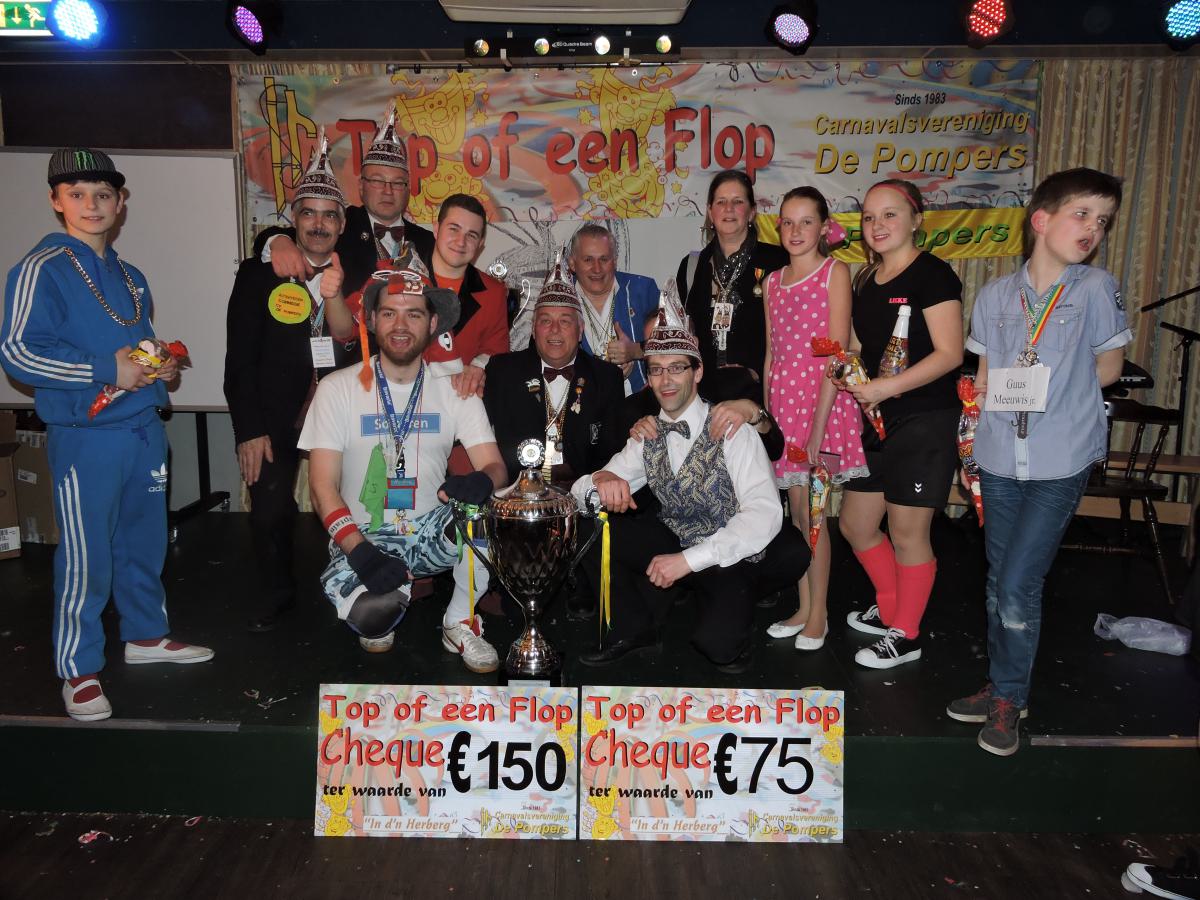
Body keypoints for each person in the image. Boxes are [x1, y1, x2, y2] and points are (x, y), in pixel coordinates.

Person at [0, 148, 212, 722]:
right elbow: (17, 353)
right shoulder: (40, 268)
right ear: (55, 201)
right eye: (77, 194)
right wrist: (105, 369)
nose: (91, 205)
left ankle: (145, 635)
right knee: (86, 554)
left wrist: (161, 367)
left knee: (144, 543)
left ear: (120, 203)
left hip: (143, 430)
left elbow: (135, 347)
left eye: (102, 195)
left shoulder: (130, 275)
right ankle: (78, 667)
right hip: (86, 438)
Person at [947, 168, 1129, 757]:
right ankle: (1003, 684)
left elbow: (1109, 368)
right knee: (999, 578)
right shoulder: (995, 296)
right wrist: (970, 447)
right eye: (1083, 214)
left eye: (1103, 220)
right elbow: (981, 379)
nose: (1093, 228)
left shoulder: (1095, 288)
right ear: (1042, 220)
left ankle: (1009, 697)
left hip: (1059, 456)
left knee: (1019, 582)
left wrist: (1053, 389)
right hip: (1000, 455)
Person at [571, 287, 810, 673]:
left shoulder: (731, 426)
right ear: (648, 377)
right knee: (594, 528)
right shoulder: (647, 432)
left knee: (719, 648)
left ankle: (737, 602)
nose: (666, 380)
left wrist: (687, 561)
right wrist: (602, 479)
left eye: (677, 368)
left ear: (697, 372)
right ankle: (635, 628)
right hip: (675, 538)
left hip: (729, 554)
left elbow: (764, 514)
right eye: (656, 369)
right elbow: (580, 493)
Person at [299, 250, 509, 670]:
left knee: (490, 511)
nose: (400, 325)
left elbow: (496, 468)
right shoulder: (337, 389)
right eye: (389, 313)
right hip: (363, 535)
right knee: (373, 618)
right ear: (371, 320)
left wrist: (482, 481)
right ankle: (384, 597)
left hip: (431, 531)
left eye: (414, 314)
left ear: (432, 324)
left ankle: (459, 620)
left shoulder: (456, 388)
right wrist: (360, 553)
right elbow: (322, 487)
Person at [224, 133, 358, 632]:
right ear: (294, 219)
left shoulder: (357, 274)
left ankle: (354, 585)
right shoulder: (258, 275)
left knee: (353, 501)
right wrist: (248, 429)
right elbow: (239, 359)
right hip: (276, 411)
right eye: (308, 214)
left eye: (329, 216)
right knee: (269, 511)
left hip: (342, 412)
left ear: (343, 224)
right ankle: (278, 593)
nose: (319, 224)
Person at [836, 178, 963, 670]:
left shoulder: (933, 274)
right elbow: (857, 347)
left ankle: (906, 635)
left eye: (890, 214)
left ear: (916, 220)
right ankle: (892, 608)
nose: (878, 225)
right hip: (876, 418)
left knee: (909, 532)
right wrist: (845, 367)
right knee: (855, 524)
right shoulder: (865, 279)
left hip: (925, 417)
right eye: (869, 217)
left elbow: (950, 354)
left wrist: (886, 388)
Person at [762, 187, 869, 651]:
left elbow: (837, 354)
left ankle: (820, 613)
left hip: (820, 405)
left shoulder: (834, 272)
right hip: (783, 410)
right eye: (787, 221)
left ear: (824, 227)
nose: (795, 230)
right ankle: (804, 606)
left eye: (806, 221)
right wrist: (767, 421)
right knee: (796, 513)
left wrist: (817, 428)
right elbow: (771, 353)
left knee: (815, 515)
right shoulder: (772, 281)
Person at [253, 106, 435, 288]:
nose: (388, 190)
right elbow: (297, 234)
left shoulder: (425, 240)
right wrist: (278, 241)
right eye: (377, 181)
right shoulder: (341, 223)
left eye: (397, 183)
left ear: (407, 189)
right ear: (361, 187)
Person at [483, 256, 625, 488]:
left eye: (565, 321)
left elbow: (611, 455)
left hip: (582, 497)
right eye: (546, 321)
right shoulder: (502, 372)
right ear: (533, 329)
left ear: (580, 330)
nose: (555, 330)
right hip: (515, 497)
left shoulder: (607, 378)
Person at [674, 170, 788, 380]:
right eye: (721, 202)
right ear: (710, 211)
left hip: (759, 386)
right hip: (704, 387)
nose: (728, 208)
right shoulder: (691, 266)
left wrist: (755, 372)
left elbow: (792, 333)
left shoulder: (778, 262)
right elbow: (678, 331)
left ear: (752, 212)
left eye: (737, 201)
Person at [422, 193, 511, 401]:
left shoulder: (493, 291)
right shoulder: (403, 278)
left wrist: (478, 367)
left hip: (459, 400)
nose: (461, 242)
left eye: (471, 235)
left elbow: (496, 349)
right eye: (454, 229)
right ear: (436, 229)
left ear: (480, 243)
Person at [567, 223, 660, 395]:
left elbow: (677, 344)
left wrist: (635, 351)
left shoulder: (643, 290)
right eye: (588, 260)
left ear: (615, 261)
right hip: (583, 403)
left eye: (604, 259)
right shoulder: (560, 300)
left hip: (641, 402)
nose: (597, 268)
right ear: (572, 263)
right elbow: (542, 356)